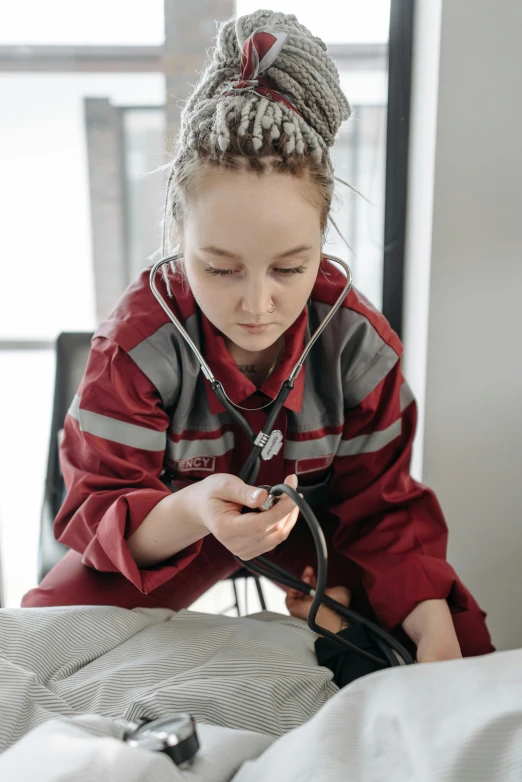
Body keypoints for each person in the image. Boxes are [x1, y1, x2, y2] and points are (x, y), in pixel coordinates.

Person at [23, 9, 493, 663]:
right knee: (39, 647)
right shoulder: (133, 348)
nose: (256, 305)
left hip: (317, 533)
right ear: (178, 237)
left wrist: (436, 640)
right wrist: (192, 512)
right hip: (165, 531)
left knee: (444, 639)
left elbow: (381, 512)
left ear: (324, 239)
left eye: (289, 268)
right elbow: (98, 511)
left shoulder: (359, 347)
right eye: (219, 267)